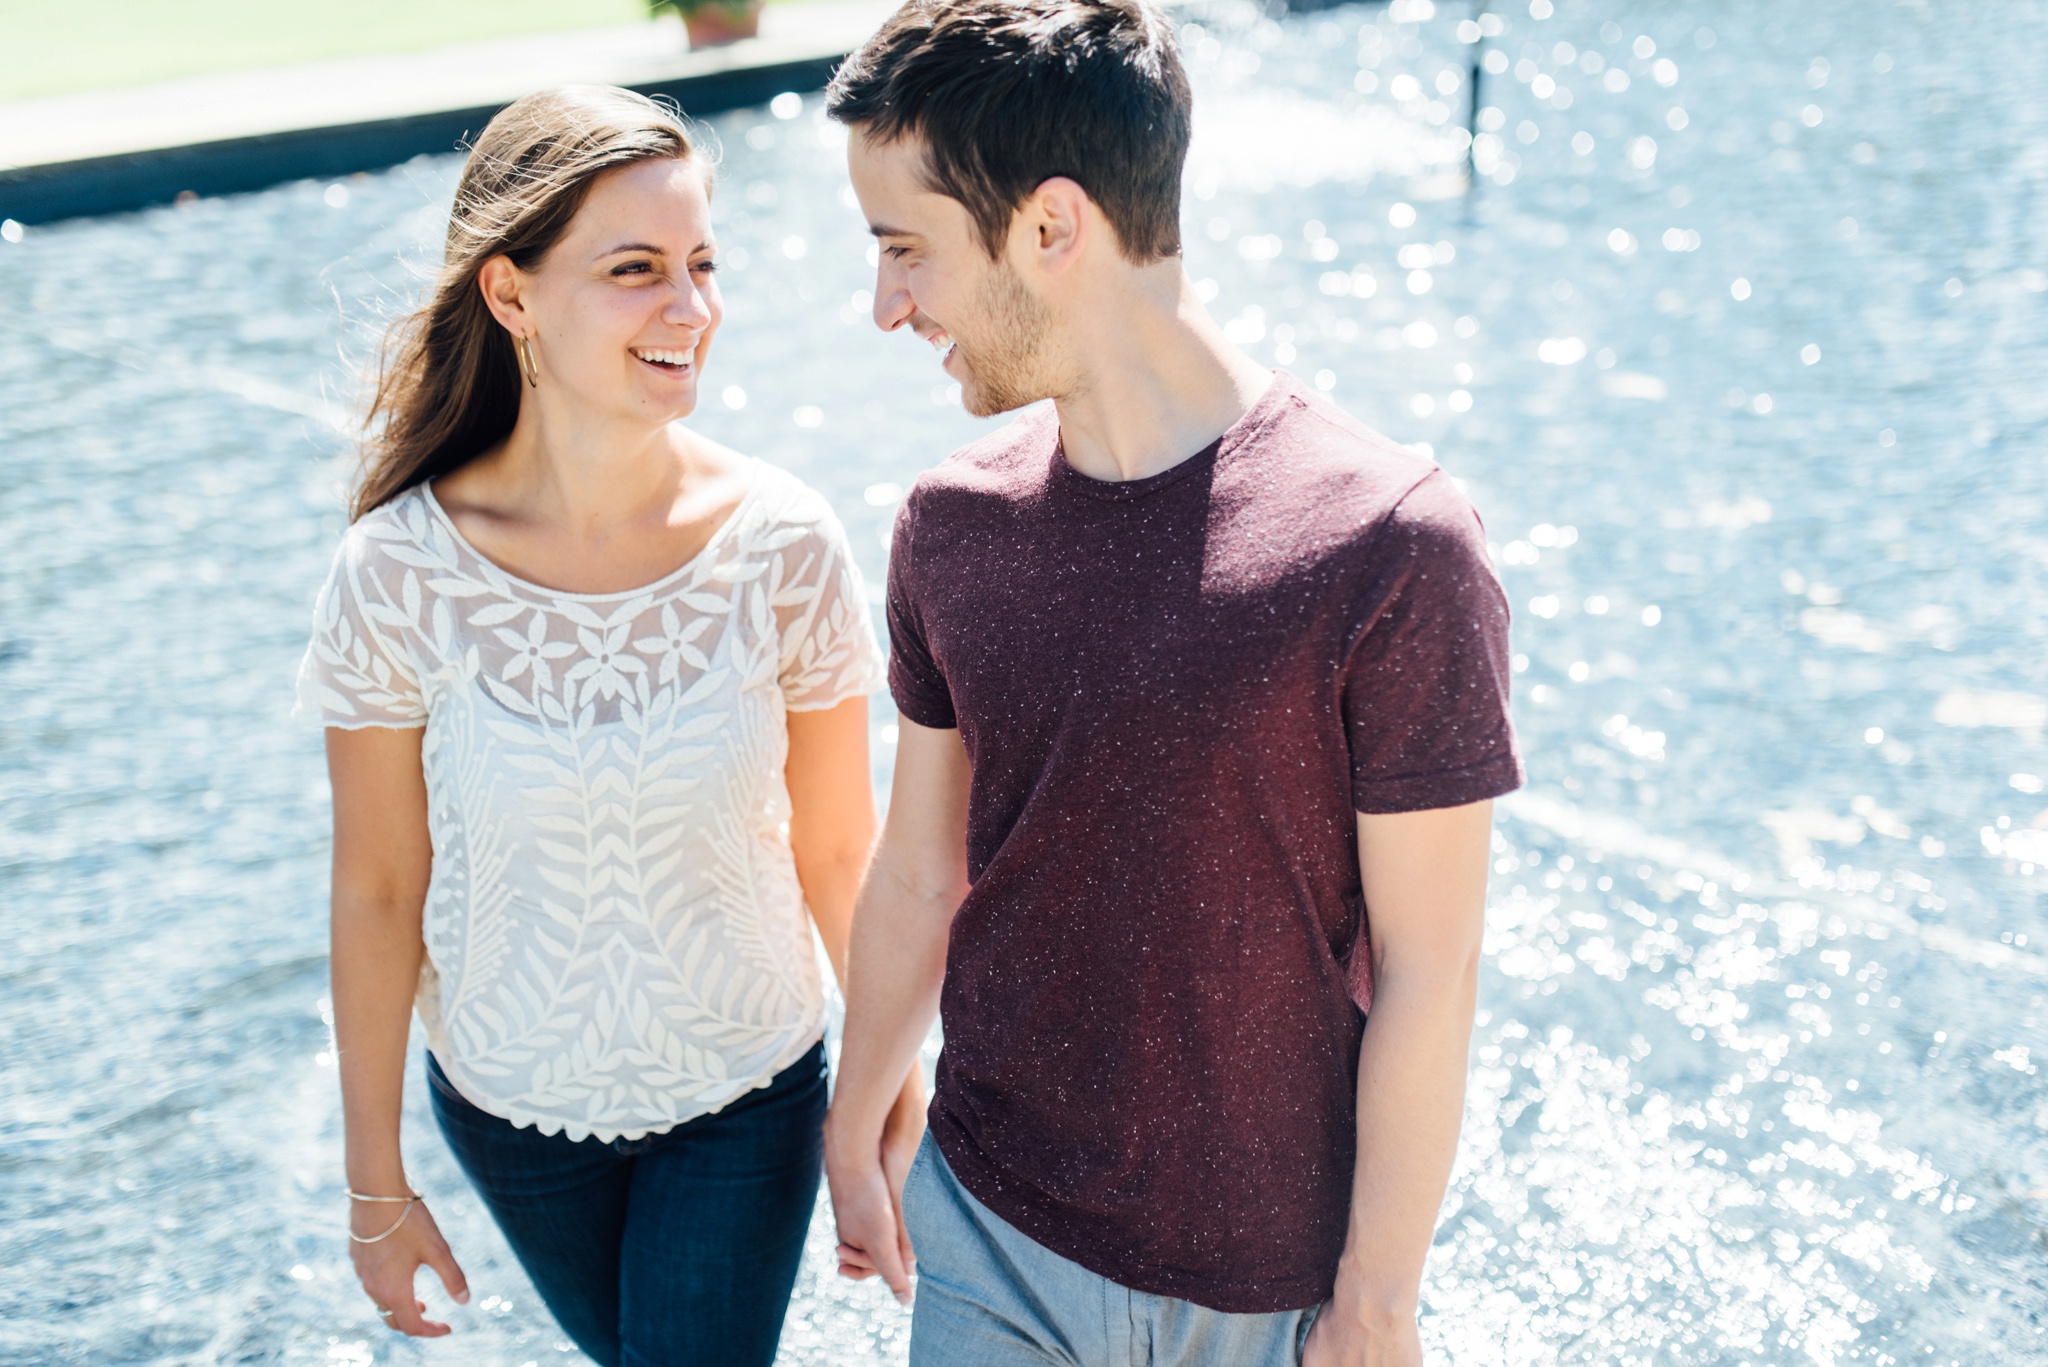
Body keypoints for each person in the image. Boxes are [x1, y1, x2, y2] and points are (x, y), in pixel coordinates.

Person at [819, 4, 1523, 1365]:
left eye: (905, 248)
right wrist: (857, 1127)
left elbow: (1435, 966)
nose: (886, 304)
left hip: (1267, 1295)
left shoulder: (1393, 544)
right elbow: (920, 868)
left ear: (1050, 227)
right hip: (990, 1229)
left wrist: (1379, 1300)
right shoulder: (950, 526)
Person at [295, 85, 924, 1367]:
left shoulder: (785, 542)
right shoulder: (397, 570)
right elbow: (375, 887)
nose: (688, 309)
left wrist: (879, 1101)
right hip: (507, 1111)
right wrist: (375, 1186)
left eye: (700, 265)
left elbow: (839, 853)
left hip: (747, 1094)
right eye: (635, 270)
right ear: (512, 295)